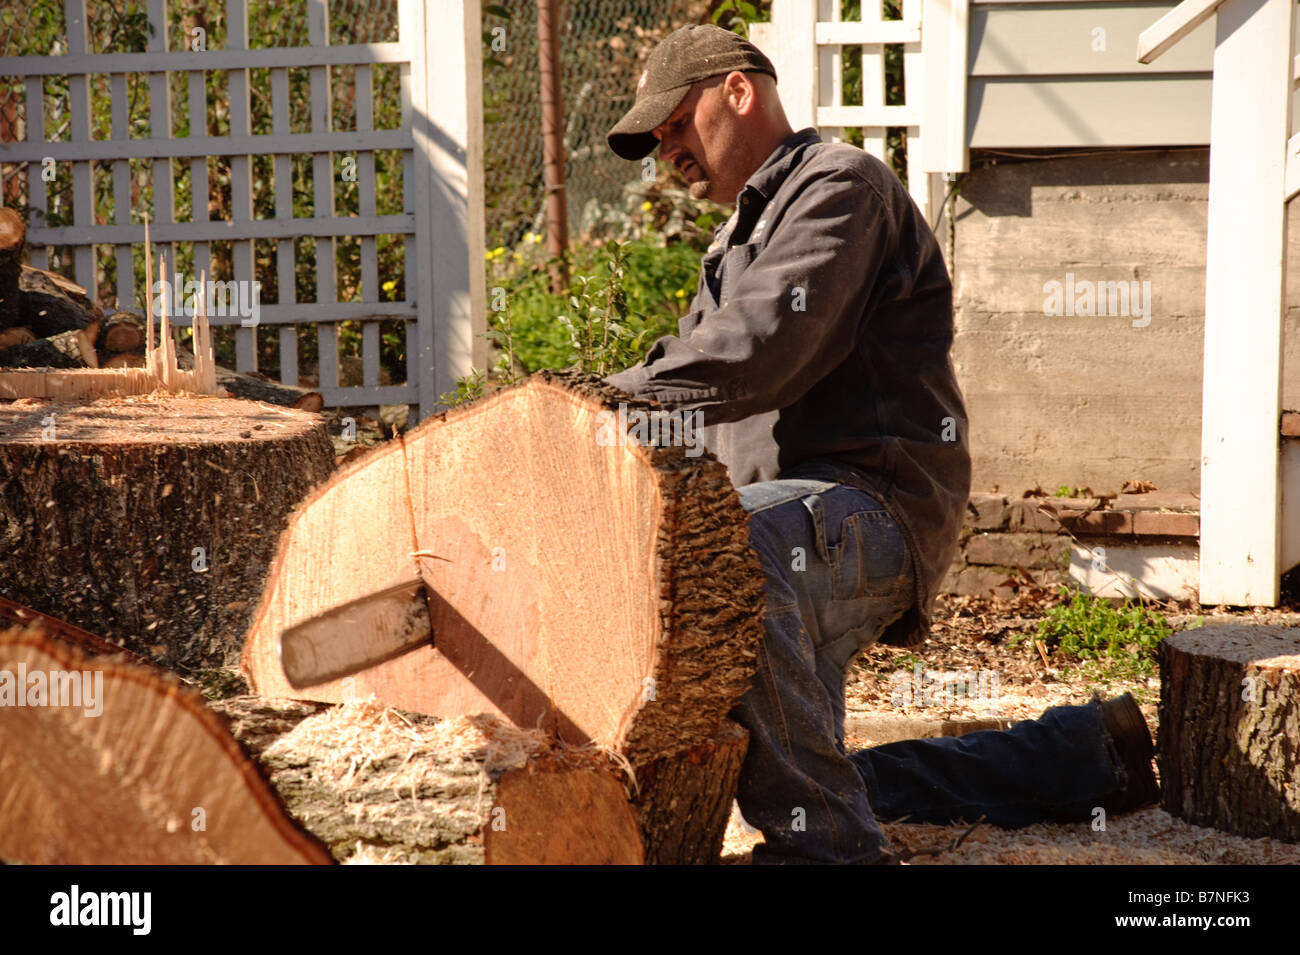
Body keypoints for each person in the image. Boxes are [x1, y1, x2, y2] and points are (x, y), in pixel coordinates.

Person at [602, 23, 1158, 864]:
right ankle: (1082, 752)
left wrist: (598, 402)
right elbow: (689, 396)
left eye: (675, 123)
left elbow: (757, 351)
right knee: (813, 773)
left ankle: (834, 854)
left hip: (869, 506)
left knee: (728, 556)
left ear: (738, 91)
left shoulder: (840, 186)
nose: (667, 150)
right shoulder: (731, 245)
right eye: (658, 140)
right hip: (792, 524)